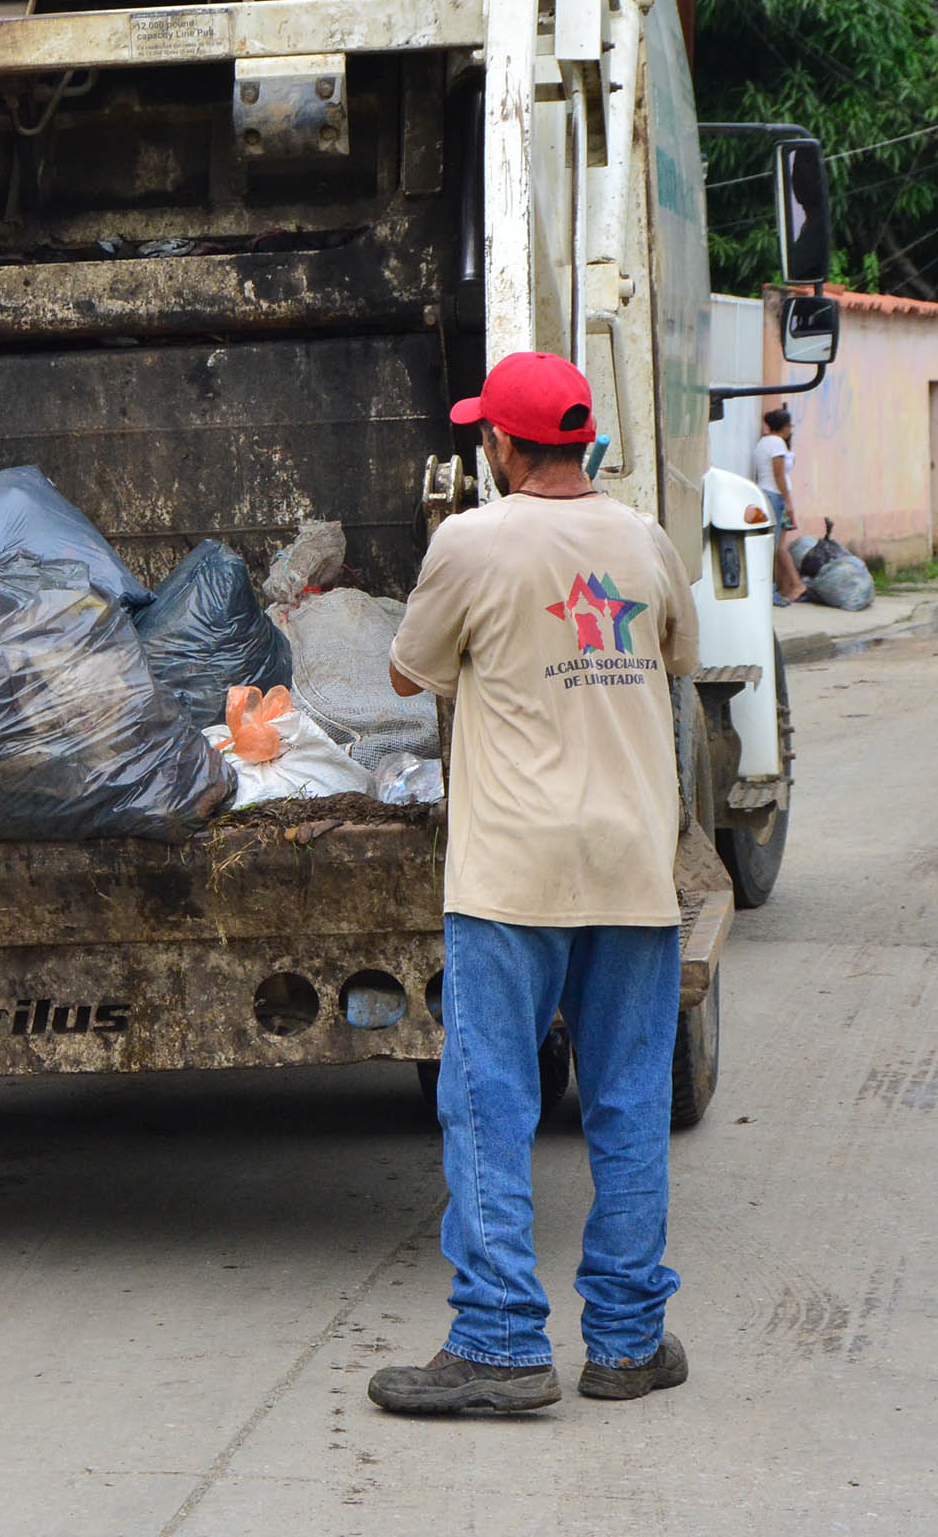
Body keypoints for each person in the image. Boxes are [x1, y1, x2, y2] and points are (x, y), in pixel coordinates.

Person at [369, 350, 700, 1417]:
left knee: (491, 1103)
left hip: (511, 871)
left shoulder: (469, 540)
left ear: (501, 447)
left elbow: (405, 669)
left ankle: (502, 1341)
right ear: (585, 440)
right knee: (627, 1103)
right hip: (632, 863)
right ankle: (627, 1341)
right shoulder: (642, 539)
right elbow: (676, 655)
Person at [753, 405, 805, 605]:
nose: (790, 429)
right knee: (773, 546)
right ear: (784, 427)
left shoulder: (765, 442)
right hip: (775, 496)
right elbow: (778, 474)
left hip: (767, 494)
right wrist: (789, 501)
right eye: (789, 426)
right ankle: (774, 591)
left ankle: (789, 586)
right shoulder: (777, 444)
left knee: (778, 546)